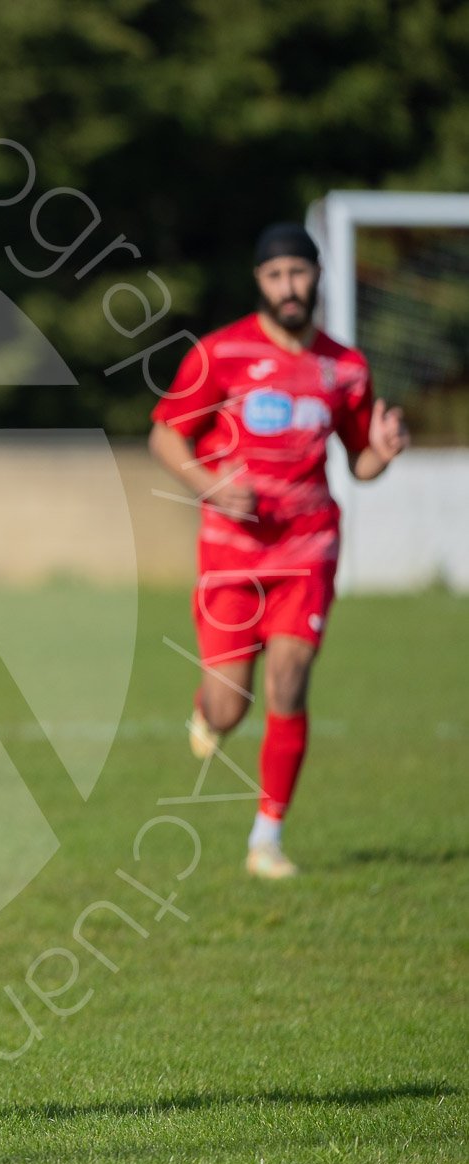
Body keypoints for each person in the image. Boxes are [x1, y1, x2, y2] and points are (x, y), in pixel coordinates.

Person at [148, 221, 408, 880]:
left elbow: (361, 462)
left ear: (317, 275)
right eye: (275, 275)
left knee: (289, 682)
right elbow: (166, 436)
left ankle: (266, 838)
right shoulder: (221, 353)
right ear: (259, 282)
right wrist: (211, 486)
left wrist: (382, 452)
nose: (288, 286)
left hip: (307, 548)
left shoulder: (345, 367)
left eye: (298, 272)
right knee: (230, 706)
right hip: (230, 556)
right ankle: (209, 711)